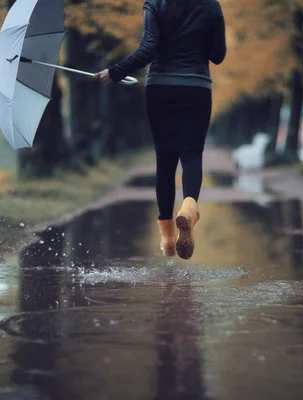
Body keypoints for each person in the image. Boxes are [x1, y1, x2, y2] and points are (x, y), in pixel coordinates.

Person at [95, 0, 227, 259]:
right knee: (191, 155)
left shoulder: (155, 4)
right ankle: (188, 210)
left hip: (161, 88)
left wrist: (115, 72)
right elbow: (218, 55)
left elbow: (148, 49)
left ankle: (167, 239)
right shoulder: (212, 6)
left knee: (165, 160)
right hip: (196, 87)